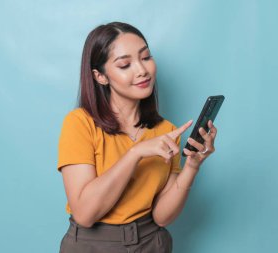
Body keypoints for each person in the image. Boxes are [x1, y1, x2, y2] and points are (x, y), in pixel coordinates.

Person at [57, 21, 218, 253]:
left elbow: (162, 216)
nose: (142, 70)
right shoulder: (80, 123)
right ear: (100, 76)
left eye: (146, 57)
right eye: (125, 64)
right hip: (93, 244)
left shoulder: (167, 131)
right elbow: (84, 214)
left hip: (151, 242)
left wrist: (192, 166)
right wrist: (135, 153)